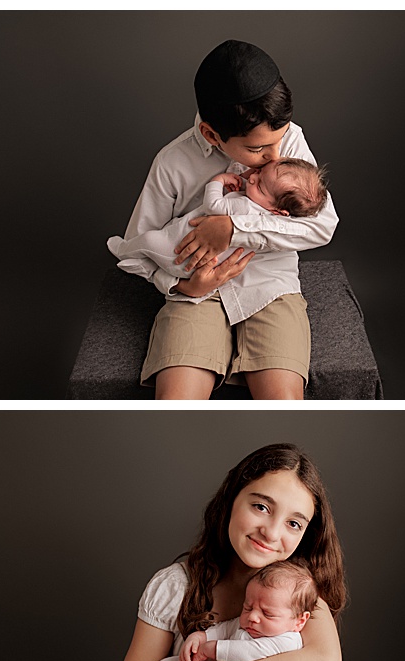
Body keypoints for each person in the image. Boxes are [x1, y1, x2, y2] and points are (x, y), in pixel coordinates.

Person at [109, 443, 347, 661]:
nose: (271, 532)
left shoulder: (299, 590)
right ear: (231, 500)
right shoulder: (176, 586)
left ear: (305, 535)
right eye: (261, 506)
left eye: (293, 523)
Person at [114, 40, 339, 400]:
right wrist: (180, 287)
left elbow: (322, 225)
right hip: (197, 293)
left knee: (283, 401)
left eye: (279, 142)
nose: (273, 157)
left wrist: (235, 230)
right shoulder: (172, 163)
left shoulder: (289, 140)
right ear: (211, 134)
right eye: (256, 149)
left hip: (272, 288)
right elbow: (135, 248)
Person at [93, 560, 317, 661]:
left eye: (267, 614)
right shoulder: (248, 623)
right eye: (248, 607)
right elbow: (226, 627)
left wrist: (212, 649)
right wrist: (202, 637)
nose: (253, 617)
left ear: (299, 620)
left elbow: (248, 653)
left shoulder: (288, 641)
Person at [108, 158, 330, 281]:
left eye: (259, 186)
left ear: (279, 211)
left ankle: (125, 252)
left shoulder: (243, 205)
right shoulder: (268, 216)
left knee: (147, 240)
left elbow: (212, 206)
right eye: (259, 173)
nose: (251, 178)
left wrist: (218, 181)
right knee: (158, 237)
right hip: (195, 265)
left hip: (177, 253)